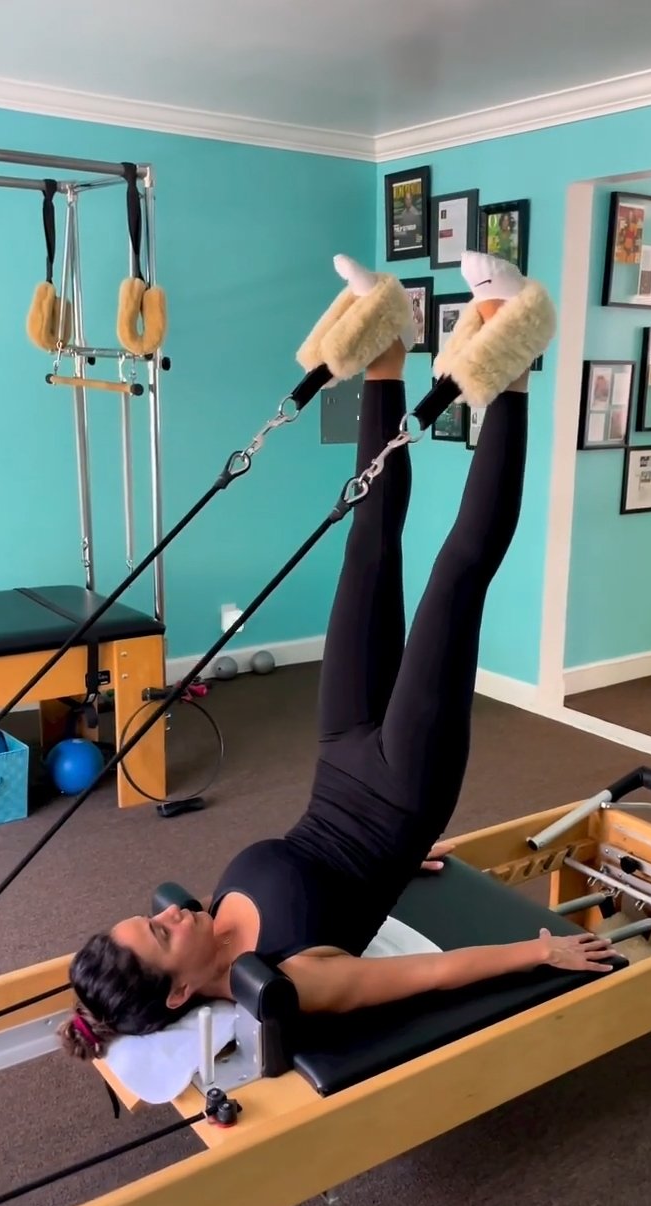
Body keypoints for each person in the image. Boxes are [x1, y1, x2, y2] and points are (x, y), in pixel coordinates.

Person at [60, 256, 617, 1061]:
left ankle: (385, 352)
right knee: (456, 576)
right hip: (404, 791)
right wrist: (540, 951)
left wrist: (391, 873)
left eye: (152, 916)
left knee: (368, 548)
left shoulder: (210, 921)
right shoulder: (292, 979)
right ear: (180, 992)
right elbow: (431, 975)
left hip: (339, 760)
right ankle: (515, 360)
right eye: (161, 932)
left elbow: (325, 873)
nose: (170, 911)